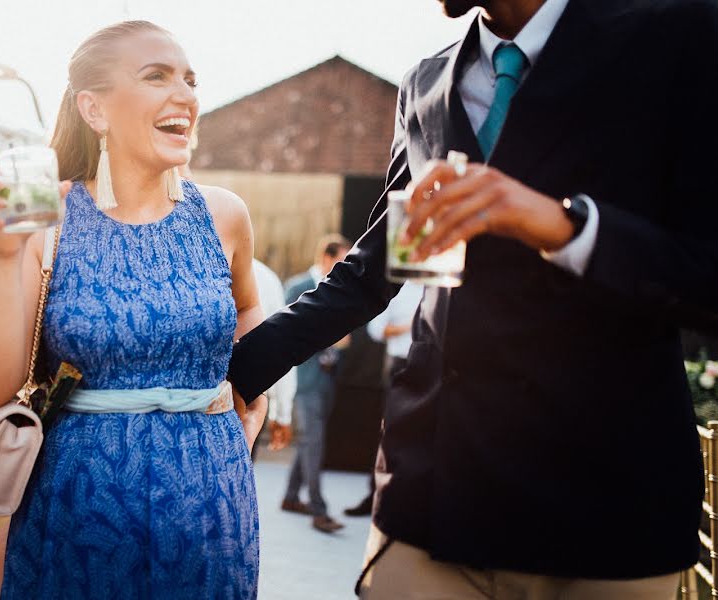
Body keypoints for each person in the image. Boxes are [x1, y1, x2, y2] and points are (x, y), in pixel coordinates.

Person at [226, 0, 718, 597]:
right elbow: (369, 274)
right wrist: (233, 374)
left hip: (608, 507)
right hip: (431, 499)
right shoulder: (424, 84)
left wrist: (567, 227)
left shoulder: (680, 35)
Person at [0, 20, 266, 599]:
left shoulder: (224, 215)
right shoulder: (46, 216)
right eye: (157, 77)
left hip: (212, 511)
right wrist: (4, 257)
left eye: (190, 80)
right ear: (94, 110)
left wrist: (256, 390)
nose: (186, 96)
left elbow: (248, 309)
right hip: (77, 510)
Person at [280, 234, 352, 534]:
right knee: (314, 442)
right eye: (342, 260)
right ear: (326, 258)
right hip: (303, 379)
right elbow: (284, 332)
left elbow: (345, 335)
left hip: (327, 377)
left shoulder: (340, 289)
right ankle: (319, 511)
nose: (347, 266)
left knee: (310, 440)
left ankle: (290, 497)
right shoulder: (296, 287)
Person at [345, 280, 424, 517]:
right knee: (388, 431)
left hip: (433, 367)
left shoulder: (441, 287)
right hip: (401, 366)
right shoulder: (400, 289)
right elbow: (376, 329)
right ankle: (375, 496)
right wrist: (410, 327)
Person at [251, 258, 297, 456]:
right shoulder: (263, 275)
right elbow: (280, 344)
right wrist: (282, 413)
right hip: (246, 394)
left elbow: (279, 345)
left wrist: (282, 411)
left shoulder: (263, 276)